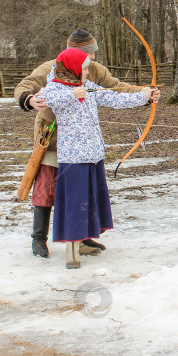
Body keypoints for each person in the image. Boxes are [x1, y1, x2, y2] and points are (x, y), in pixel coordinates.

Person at [14, 30, 148, 258]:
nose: (93, 59)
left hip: (85, 143)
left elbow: (114, 89)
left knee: (83, 189)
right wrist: (28, 98)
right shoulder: (52, 68)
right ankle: (38, 239)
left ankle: (83, 237)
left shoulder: (93, 71)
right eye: (89, 55)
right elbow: (29, 87)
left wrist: (145, 93)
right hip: (53, 137)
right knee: (47, 186)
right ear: (75, 55)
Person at [38, 48, 159, 269]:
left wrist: (145, 96)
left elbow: (113, 97)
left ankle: (83, 242)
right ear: (73, 68)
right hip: (73, 157)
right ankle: (71, 253)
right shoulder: (55, 87)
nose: (86, 72)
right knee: (74, 204)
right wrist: (72, 94)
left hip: (93, 154)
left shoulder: (89, 87)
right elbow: (43, 98)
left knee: (88, 202)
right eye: (83, 68)